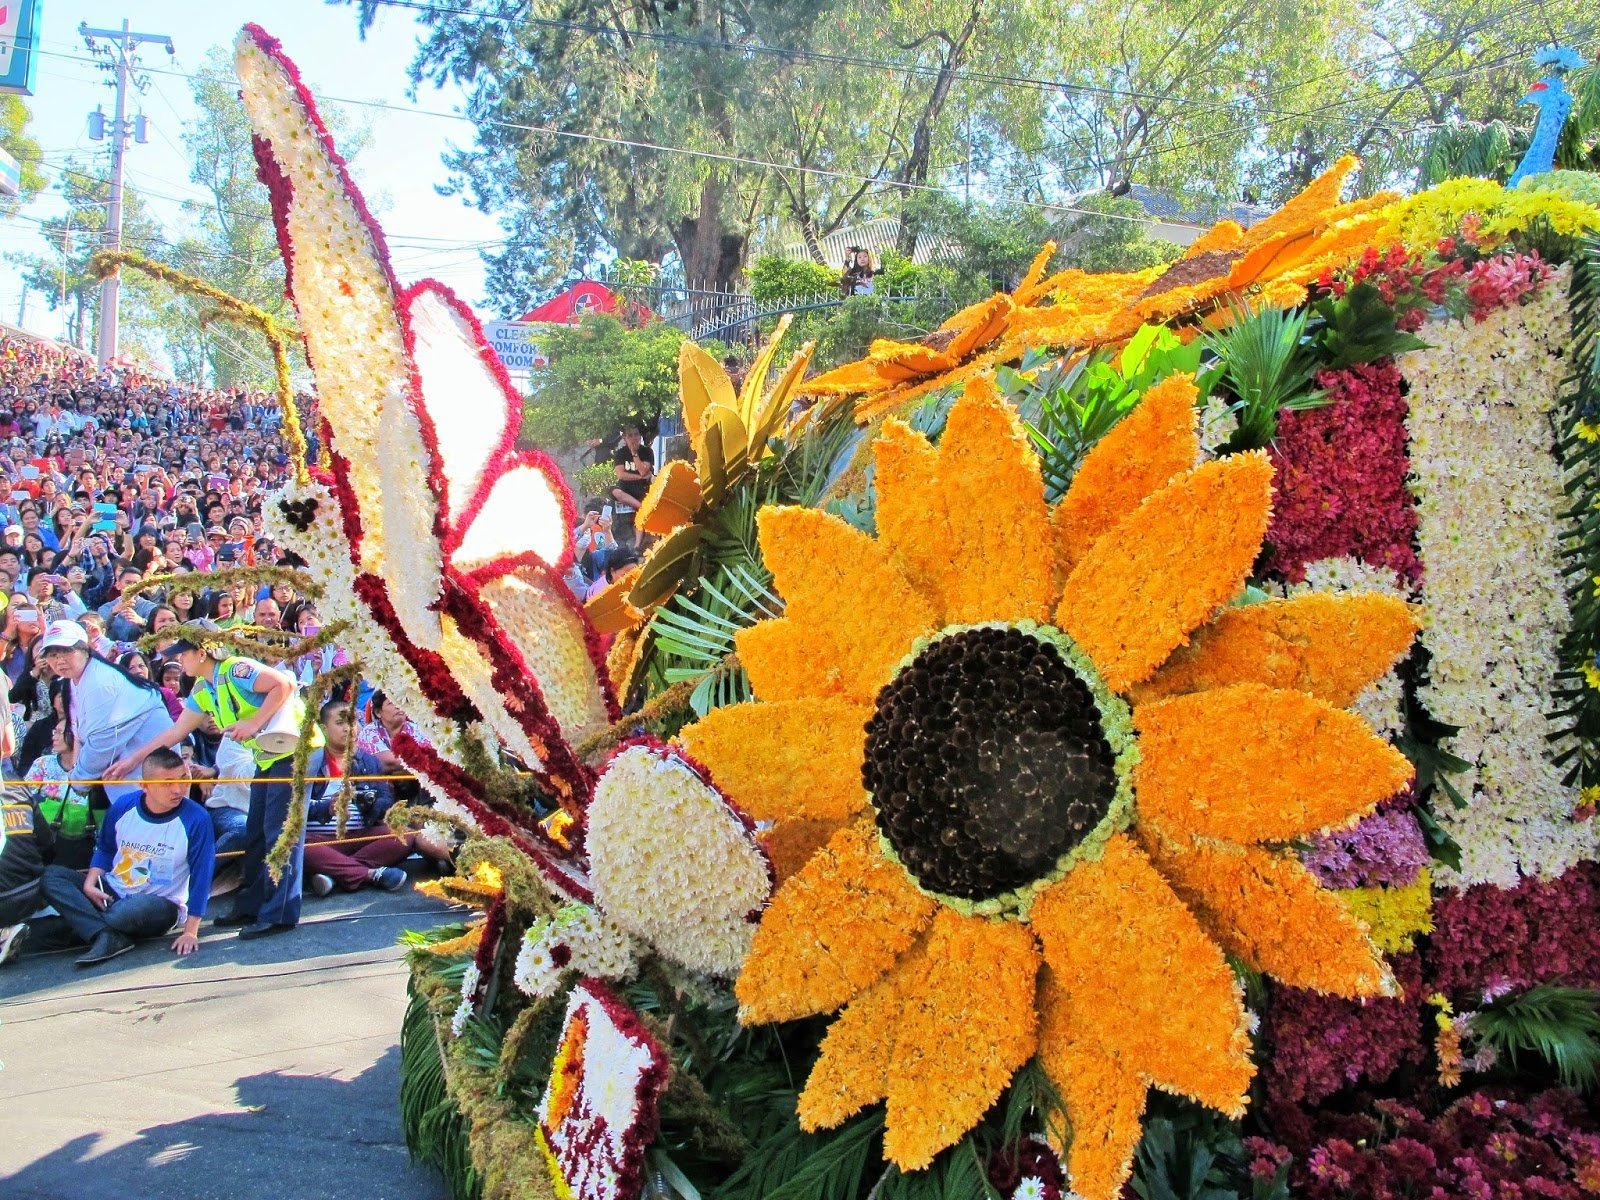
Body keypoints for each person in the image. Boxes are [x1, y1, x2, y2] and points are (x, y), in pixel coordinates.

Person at [108, 627, 321, 941]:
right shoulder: (203, 689)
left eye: (183, 653)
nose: (179, 660)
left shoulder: (236, 668)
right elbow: (174, 733)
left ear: (202, 651)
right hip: (270, 755)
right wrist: (131, 761)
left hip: (296, 750)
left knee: (281, 830)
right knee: (257, 830)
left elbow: (283, 684)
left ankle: (279, 913)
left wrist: (253, 722)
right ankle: (251, 904)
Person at [40, 747, 214, 967]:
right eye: (167, 783)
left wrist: (191, 931)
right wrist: (90, 882)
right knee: (51, 876)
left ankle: (88, 928)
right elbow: (105, 848)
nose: (178, 789)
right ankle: (106, 934)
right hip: (113, 891)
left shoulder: (197, 819)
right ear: (144, 786)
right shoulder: (124, 806)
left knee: (125, 913)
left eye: (183, 779)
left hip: (158, 903)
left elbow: (202, 875)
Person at [39, 619, 175, 802]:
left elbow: (102, 741)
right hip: (129, 773)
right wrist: (78, 773)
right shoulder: (76, 678)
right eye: (53, 655)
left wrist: (79, 779)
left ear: (85, 649)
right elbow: (80, 731)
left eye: (67, 651)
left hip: (149, 771)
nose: (59, 660)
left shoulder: (99, 681)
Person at [303, 699, 413, 896]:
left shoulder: (369, 761)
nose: (348, 728)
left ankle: (333, 874)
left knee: (405, 835)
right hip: (318, 840)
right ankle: (370, 874)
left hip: (358, 837)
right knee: (295, 845)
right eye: (340, 723)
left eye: (352, 722)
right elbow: (290, 810)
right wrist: (326, 808)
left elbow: (386, 799)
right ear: (323, 728)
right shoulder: (307, 762)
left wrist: (370, 804)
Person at [610, 421, 654, 514]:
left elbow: (643, 471)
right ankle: (642, 508)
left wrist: (634, 454)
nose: (633, 438)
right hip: (625, 489)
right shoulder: (620, 453)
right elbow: (621, 475)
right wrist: (639, 477)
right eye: (630, 435)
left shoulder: (647, 451)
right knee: (615, 491)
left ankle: (642, 509)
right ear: (625, 438)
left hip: (642, 487)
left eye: (636, 434)